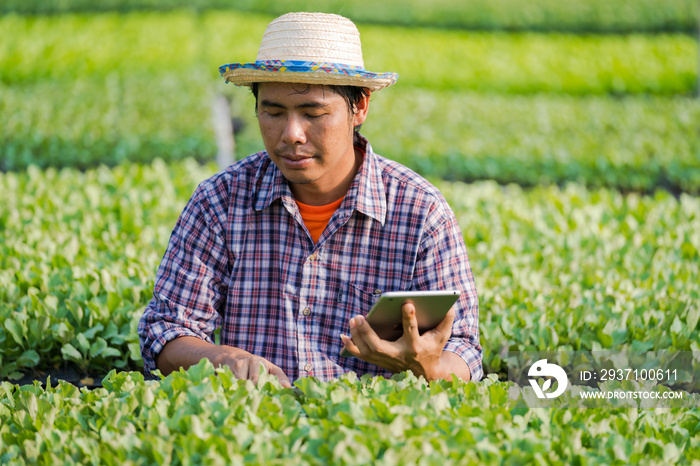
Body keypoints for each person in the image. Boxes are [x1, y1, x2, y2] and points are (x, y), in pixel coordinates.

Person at [138, 12, 482, 387]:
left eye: (313, 113)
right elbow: (167, 330)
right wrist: (223, 358)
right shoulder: (218, 202)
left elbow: (464, 353)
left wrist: (423, 365)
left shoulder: (421, 213)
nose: (291, 134)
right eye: (272, 112)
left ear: (360, 107)